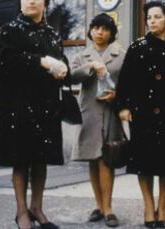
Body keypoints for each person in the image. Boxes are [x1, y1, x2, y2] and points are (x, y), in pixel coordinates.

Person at [0, 0, 68, 229]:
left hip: (46, 105)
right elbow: (7, 62)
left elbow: (60, 61)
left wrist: (62, 69)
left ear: (45, 3)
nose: (31, 1)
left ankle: (37, 208)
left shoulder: (52, 34)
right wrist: (42, 62)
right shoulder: (9, 30)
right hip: (17, 105)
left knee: (40, 159)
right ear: (21, 2)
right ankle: (22, 212)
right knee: (21, 159)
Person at [115, 1, 165, 228]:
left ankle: (163, 207)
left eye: (157, 16)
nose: (152, 21)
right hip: (143, 114)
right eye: (149, 17)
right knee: (144, 162)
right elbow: (125, 80)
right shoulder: (137, 47)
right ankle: (149, 206)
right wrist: (123, 106)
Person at [70, 13, 125, 227]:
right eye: (96, 28)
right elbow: (72, 76)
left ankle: (109, 208)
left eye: (105, 29)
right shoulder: (82, 55)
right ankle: (99, 206)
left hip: (110, 112)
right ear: (90, 31)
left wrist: (117, 95)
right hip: (89, 113)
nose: (100, 32)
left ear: (111, 33)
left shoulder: (120, 55)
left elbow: (129, 82)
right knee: (93, 159)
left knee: (107, 159)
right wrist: (91, 67)